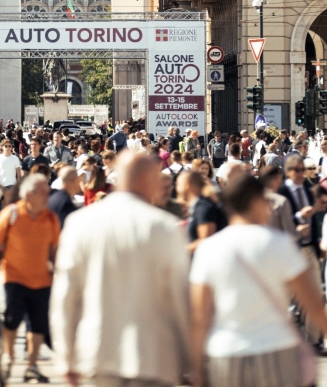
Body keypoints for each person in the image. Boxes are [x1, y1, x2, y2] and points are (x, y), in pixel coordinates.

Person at [50, 151, 190, 387]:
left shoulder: (80, 224)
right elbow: (180, 298)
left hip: (97, 355)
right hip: (154, 358)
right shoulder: (164, 228)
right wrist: (192, 361)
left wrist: (66, 357)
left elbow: (66, 296)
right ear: (151, 181)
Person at [190, 172, 327, 387]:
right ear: (255, 202)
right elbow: (313, 305)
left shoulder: (208, 249)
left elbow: (199, 316)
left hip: (226, 355)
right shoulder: (280, 244)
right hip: (277, 351)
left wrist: (197, 369)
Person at [0, 173, 60, 382]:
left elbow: (55, 250)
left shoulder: (51, 218)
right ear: (29, 194)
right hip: (14, 277)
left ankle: (32, 365)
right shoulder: (11, 214)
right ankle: (9, 355)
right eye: (43, 192)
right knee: (12, 320)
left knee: (38, 324)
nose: (47, 196)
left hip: (43, 279)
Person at [279, 154, 324, 346]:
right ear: (288, 172)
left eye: (301, 169)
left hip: (308, 249)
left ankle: (313, 340)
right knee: (287, 297)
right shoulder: (282, 193)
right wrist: (299, 216)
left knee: (315, 295)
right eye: (295, 170)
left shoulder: (307, 189)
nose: (299, 173)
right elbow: (281, 219)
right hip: (290, 250)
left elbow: (313, 218)